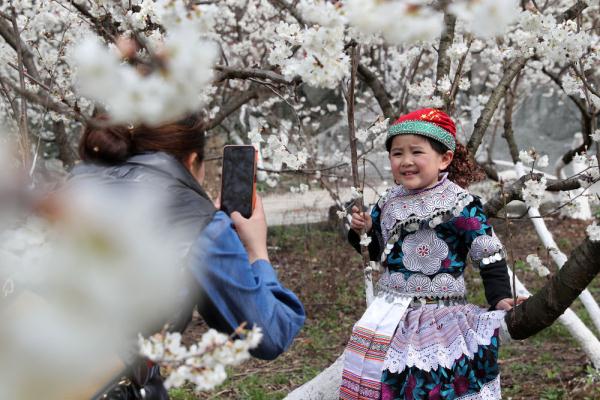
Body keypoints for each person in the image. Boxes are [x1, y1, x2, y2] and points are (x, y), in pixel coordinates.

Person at [71, 114, 306, 398]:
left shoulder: (65, 191)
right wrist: (257, 250)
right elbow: (271, 333)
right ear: (193, 160)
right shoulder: (199, 222)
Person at [340, 108, 525, 400]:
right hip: (390, 315)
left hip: (442, 317)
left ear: (444, 158)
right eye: (397, 154)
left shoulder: (460, 203)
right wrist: (361, 231)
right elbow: (375, 253)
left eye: (416, 152)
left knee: (437, 382)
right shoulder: (388, 201)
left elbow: (488, 255)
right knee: (384, 381)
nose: (406, 161)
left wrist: (500, 297)